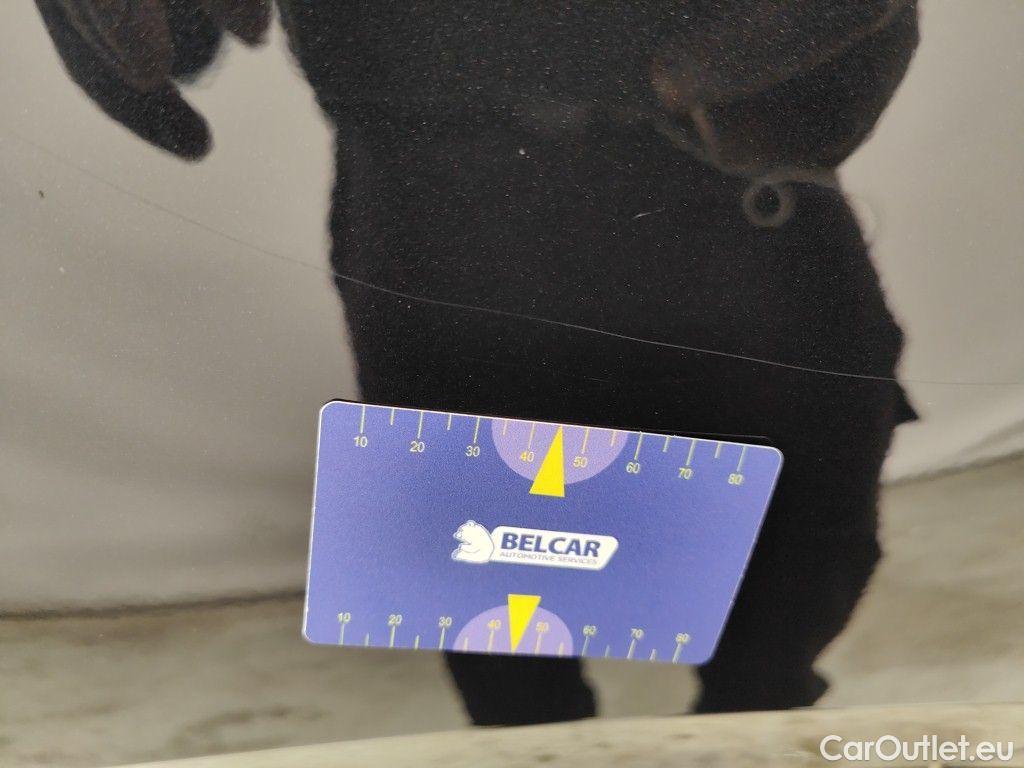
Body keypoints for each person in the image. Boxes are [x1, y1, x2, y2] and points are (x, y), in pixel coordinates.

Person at [36, 0, 920, 724]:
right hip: (437, 183)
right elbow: (184, 40)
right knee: (483, 563)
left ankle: (752, 713)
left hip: (714, 173)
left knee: (804, 517)